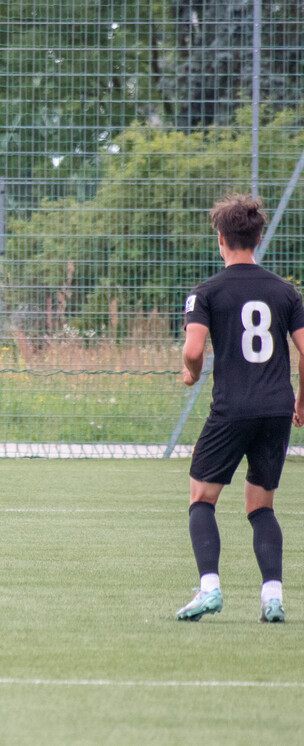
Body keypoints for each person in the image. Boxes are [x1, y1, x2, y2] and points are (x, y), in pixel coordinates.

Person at [175, 193, 304, 622]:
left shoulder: (206, 292)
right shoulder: (286, 292)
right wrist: (300, 399)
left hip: (231, 409)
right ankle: (272, 598)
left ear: (220, 240)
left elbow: (193, 349)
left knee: (201, 496)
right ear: (259, 236)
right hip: (275, 409)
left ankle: (210, 588)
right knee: (261, 506)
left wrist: (191, 372)